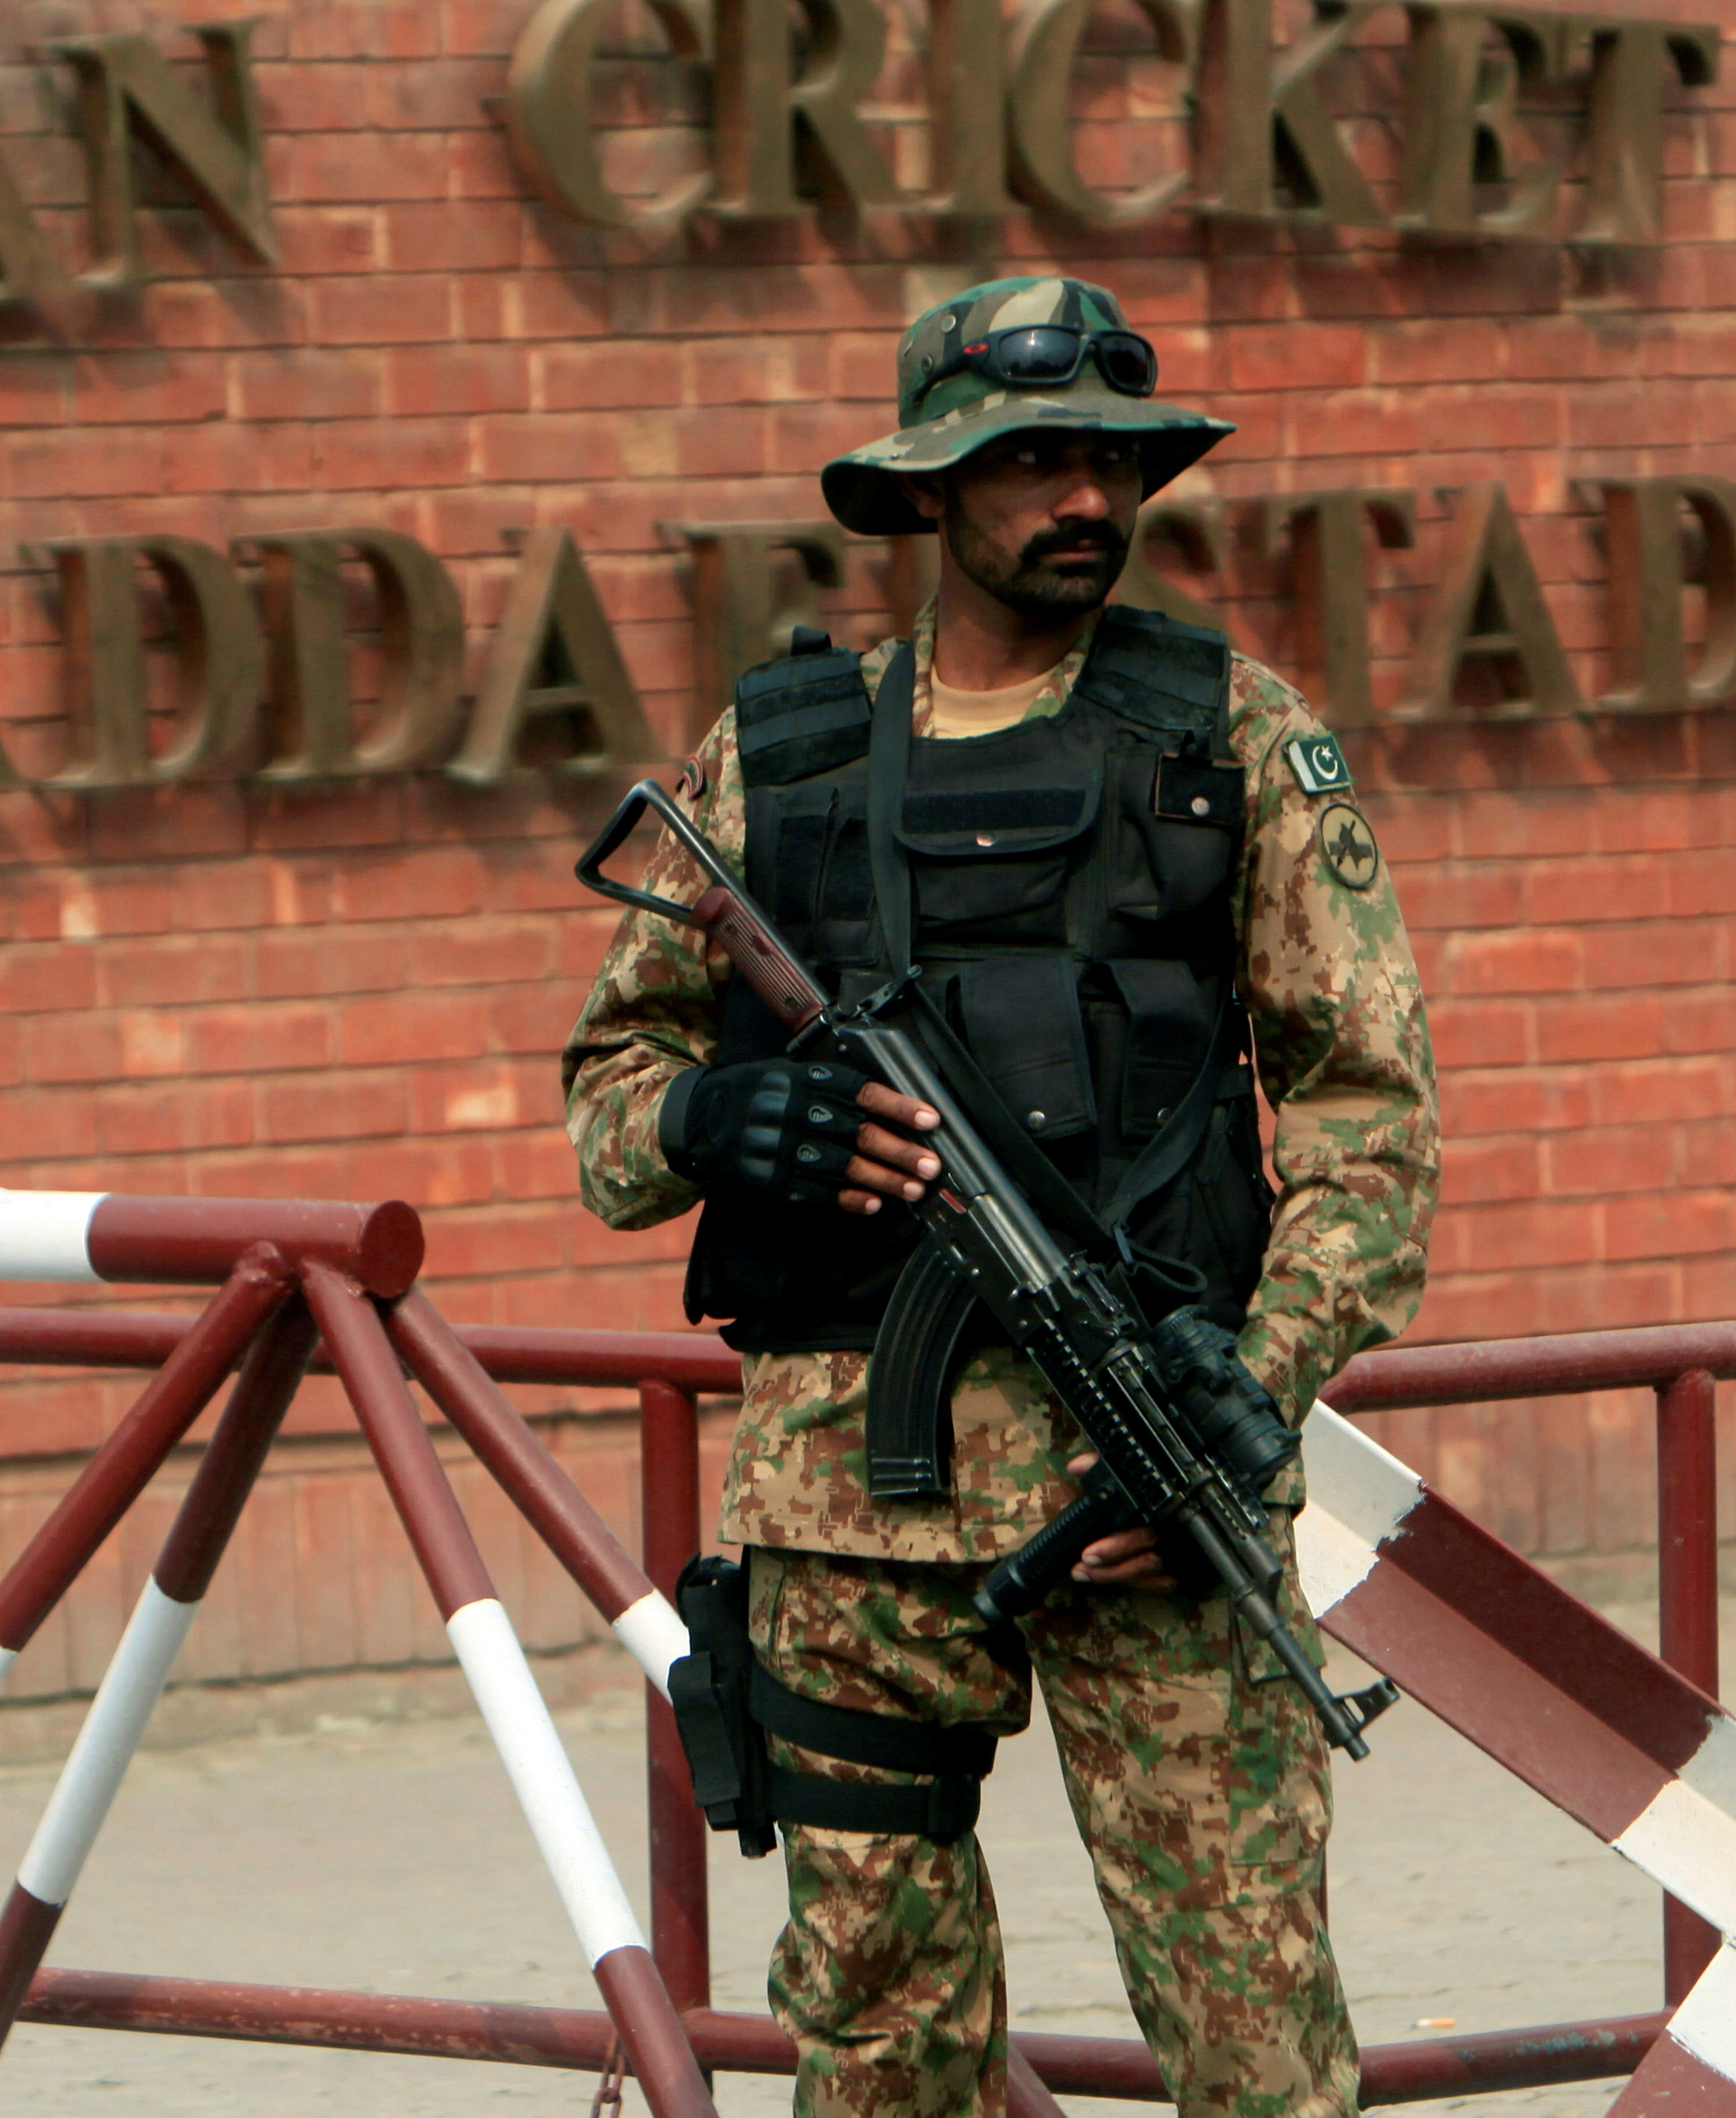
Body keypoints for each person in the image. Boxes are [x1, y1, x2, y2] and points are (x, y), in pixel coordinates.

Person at [560, 276, 1440, 2118]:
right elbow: (610, 1114)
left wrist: (1252, 1382)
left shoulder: (1228, 737)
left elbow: (1372, 1121)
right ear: (930, 493)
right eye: (1031, 460)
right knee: (876, 2047)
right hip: (845, 1527)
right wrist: (730, 1119)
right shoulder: (780, 760)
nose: (1086, 502)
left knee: (1259, 2047)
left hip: (1148, 1504)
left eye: (1113, 464)